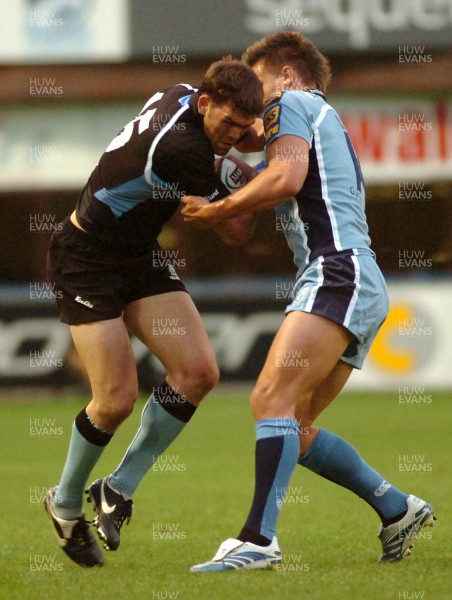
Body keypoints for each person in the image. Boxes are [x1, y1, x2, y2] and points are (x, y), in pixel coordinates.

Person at [181, 32, 436, 571]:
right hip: (358, 279)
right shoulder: (321, 119)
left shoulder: (292, 104)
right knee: (291, 425)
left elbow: (286, 176)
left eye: (259, 84)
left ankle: (258, 541)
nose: (254, 103)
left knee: (269, 399)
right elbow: (279, 175)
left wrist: (215, 212)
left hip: (336, 271)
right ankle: (397, 508)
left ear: (288, 76)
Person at [44, 58, 263, 567]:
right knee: (115, 399)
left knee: (198, 372)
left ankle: (116, 489)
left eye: (241, 124)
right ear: (205, 105)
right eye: (226, 124)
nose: (233, 134)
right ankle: (66, 501)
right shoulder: (183, 150)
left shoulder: (184, 92)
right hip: (87, 259)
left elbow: (237, 149)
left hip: (137, 256)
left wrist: (247, 148)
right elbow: (233, 229)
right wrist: (278, 181)